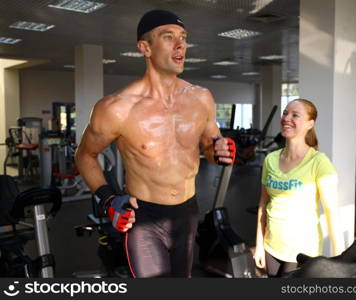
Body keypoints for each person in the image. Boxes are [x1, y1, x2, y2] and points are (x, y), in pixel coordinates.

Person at [74, 9, 236, 278]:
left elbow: (210, 146)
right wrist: (108, 200)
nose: (180, 44)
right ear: (145, 48)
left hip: (188, 212)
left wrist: (218, 150)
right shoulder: (117, 108)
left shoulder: (201, 98)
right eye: (168, 36)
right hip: (145, 218)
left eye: (183, 37)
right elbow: (85, 156)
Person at [253, 99, 344, 277]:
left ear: (310, 124)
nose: (287, 118)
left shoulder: (319, 162)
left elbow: (332, 213)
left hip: (302, 251)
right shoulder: (270, 159)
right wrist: (259, 245)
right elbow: (263, 204)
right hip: (271, 246)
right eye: (285, 113)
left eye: (295, 115)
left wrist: (340, 258)